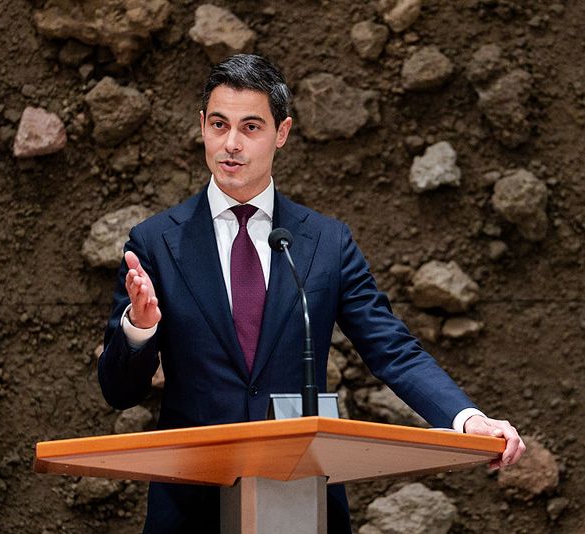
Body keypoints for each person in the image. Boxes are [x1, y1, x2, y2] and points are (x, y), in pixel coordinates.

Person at [98, 54, 525, 533]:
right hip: (190, 507)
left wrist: (466, 419)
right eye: (219, 125)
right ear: (202, 126)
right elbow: (119, 392)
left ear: (282, 132)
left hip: (302, 499)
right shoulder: (155, 242)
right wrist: (139, 330)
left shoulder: (326, 241)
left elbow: (391, 348)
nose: (231, 143)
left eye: (251, 127)